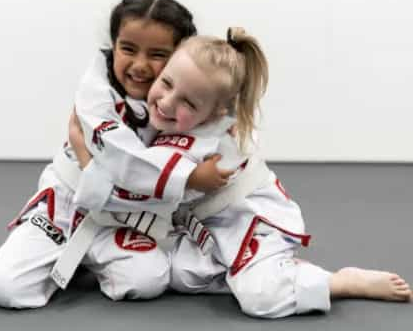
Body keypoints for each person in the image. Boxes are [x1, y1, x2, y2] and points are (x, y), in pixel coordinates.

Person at [70, 27, 412, 319]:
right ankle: (277, 273)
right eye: (167, 82)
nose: (168, 102)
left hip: (251, 227)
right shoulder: (184, 124)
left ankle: (338, 282)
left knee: (258, 298)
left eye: (188, 103)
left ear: (217, 110)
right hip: (211, 230)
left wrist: (84, 152)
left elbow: (135, 185)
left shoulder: (202, 146)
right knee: (174, 274)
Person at [0, 0, 226, 309]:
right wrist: (187, 177)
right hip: (67, 207)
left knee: (146, 281)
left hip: (126, 220)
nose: (140, 65)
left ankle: (84, 260)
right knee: (4, 288)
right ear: (114, 44)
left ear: (180, 56)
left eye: (158, 54)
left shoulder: (188, 98)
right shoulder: (96, 94)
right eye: (128, 49)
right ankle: (60, 252)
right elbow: (124, 162)